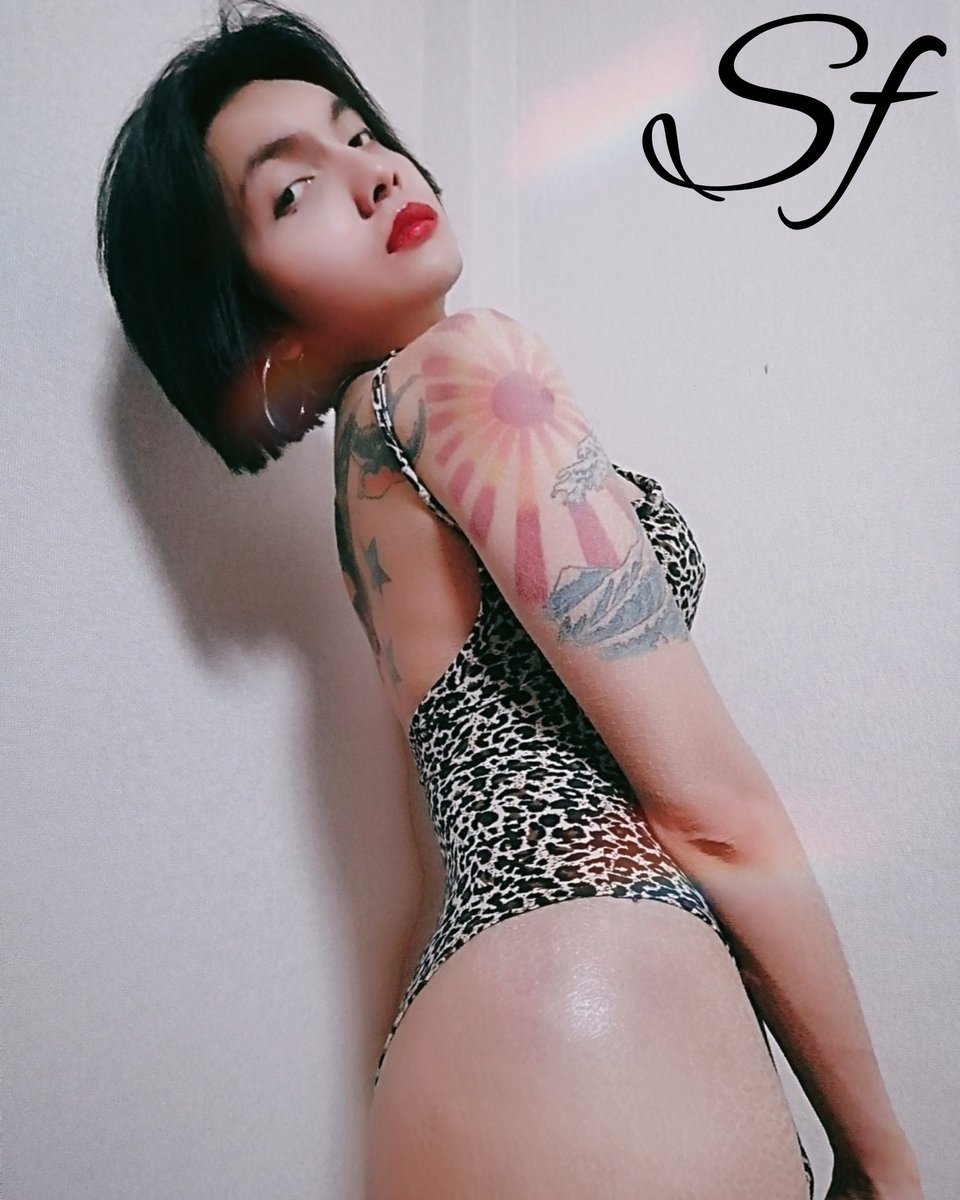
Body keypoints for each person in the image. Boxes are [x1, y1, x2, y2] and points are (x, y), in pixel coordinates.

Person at [96, 4, 924, 1198]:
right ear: (254, 322)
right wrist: (881, 1156)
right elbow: (710, 810)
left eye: (357, 133)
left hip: (458, 1054)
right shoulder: (464, 369)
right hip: (592, 1011)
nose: (375, 175)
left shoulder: (366, 476)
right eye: (295, 191)